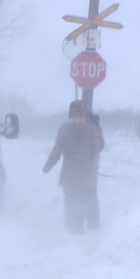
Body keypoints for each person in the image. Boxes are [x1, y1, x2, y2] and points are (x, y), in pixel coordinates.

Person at [43, 100, 105, 233]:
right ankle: (94, 235)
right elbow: (99, 147)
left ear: (70, 114)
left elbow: (57, 150)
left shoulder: (65, 128)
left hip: (70, 178)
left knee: (72, 206)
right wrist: (97, 128)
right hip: (88, 177)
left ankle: (75, 236)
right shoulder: (91, 128)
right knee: (91, 205)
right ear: (84, 113)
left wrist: (47, 166)